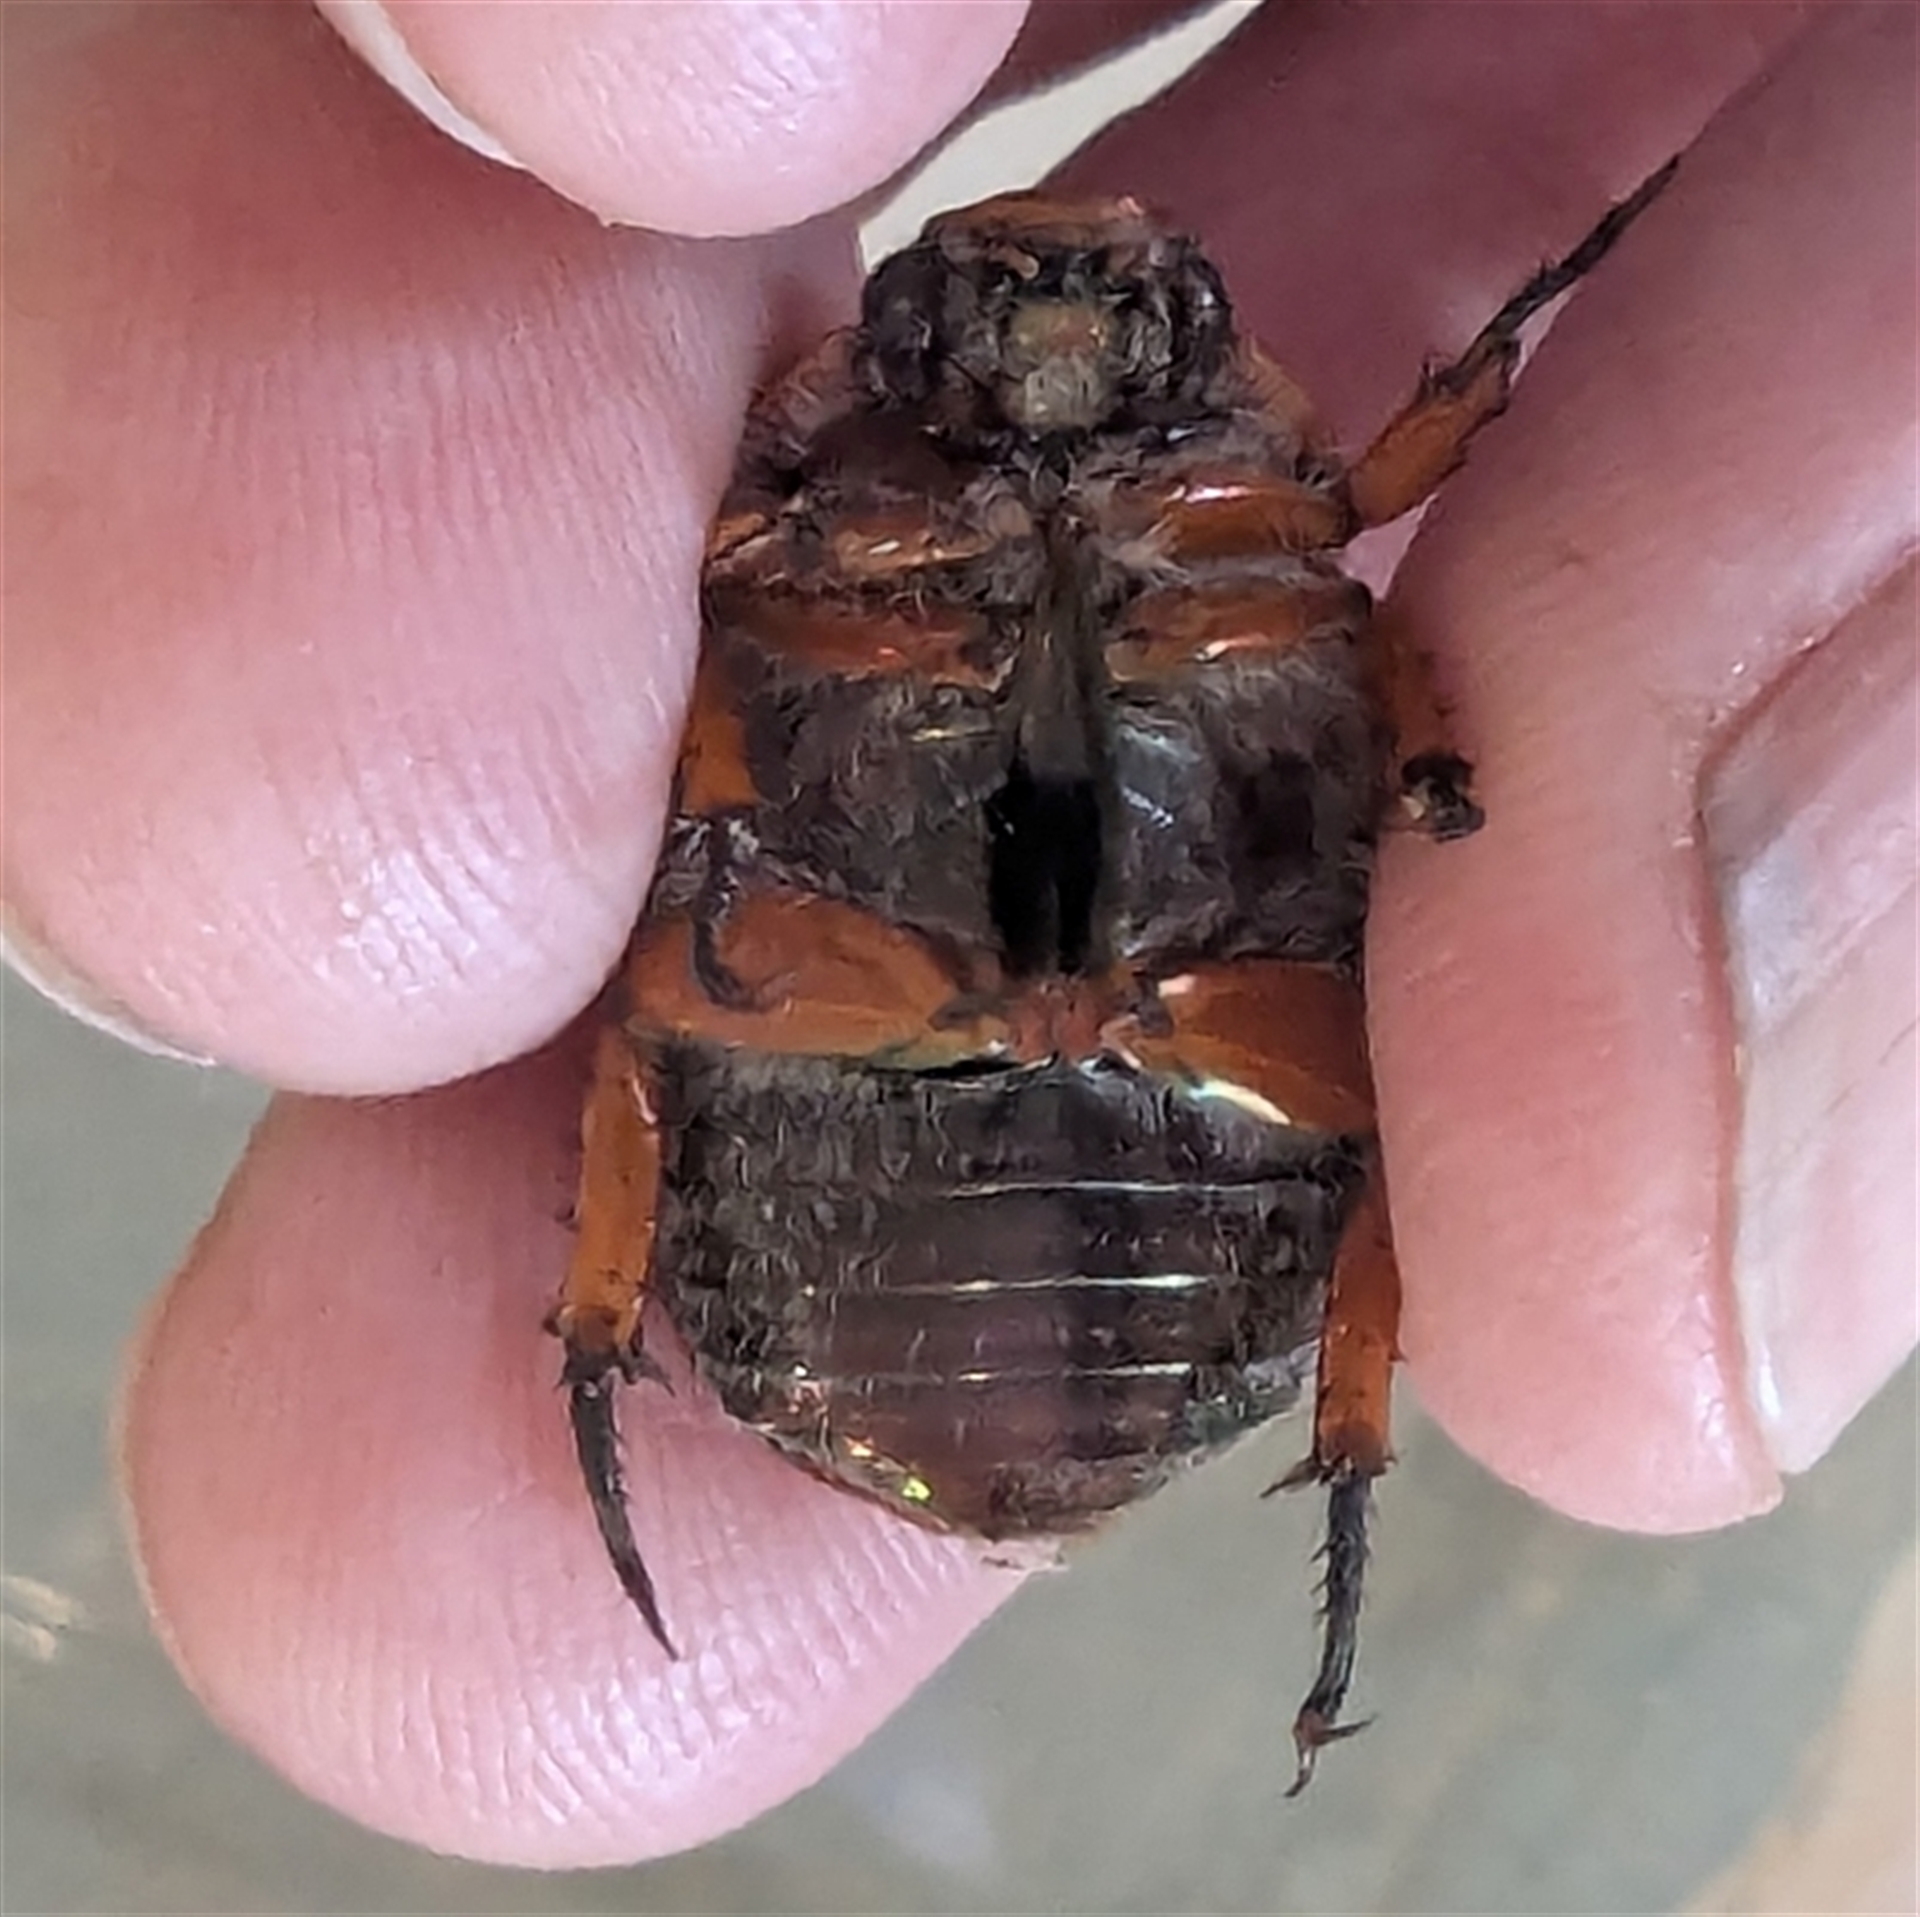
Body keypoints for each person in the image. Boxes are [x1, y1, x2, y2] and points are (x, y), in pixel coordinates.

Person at [6, 0, 1913, 1869]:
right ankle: (609, 1333)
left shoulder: (1231, 548)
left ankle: (1298, 1444)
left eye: (1121, 321)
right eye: (977, 319)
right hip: (1043, 1120)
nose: (1056, 356)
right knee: (716, 998)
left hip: (1013, 1104)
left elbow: (1387, 622)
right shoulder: (890, 548)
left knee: (768, 997)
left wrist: (1424, 735)